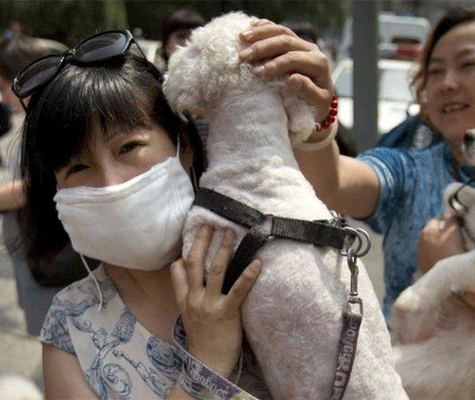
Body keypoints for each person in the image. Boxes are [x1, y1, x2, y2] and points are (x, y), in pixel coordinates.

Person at [239, 4, 475, 399]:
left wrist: (450, 270)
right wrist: (317, 111)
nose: (447, 83)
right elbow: (332, 182)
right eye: (434, 71)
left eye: (469, 64)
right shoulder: (409, 170)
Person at [18, 25, 332, 398]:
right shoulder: (70, 329)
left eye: (128, 147)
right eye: (78, 168)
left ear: (184, 145)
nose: (111, 184)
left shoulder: (267, 260)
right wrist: (205, 363)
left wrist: (315, 113)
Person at [0, 33, 89, 337]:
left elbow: (35, 187)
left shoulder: (54, 121)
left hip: (55, 264)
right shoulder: (41, 118)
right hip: (44, 260)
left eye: (5, 87)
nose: (4, 97)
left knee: (61, 340)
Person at [155, 7, 206, 71]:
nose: (187, 42)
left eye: (193, 36)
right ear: (166, 44)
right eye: (181, 36)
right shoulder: (152, 76)